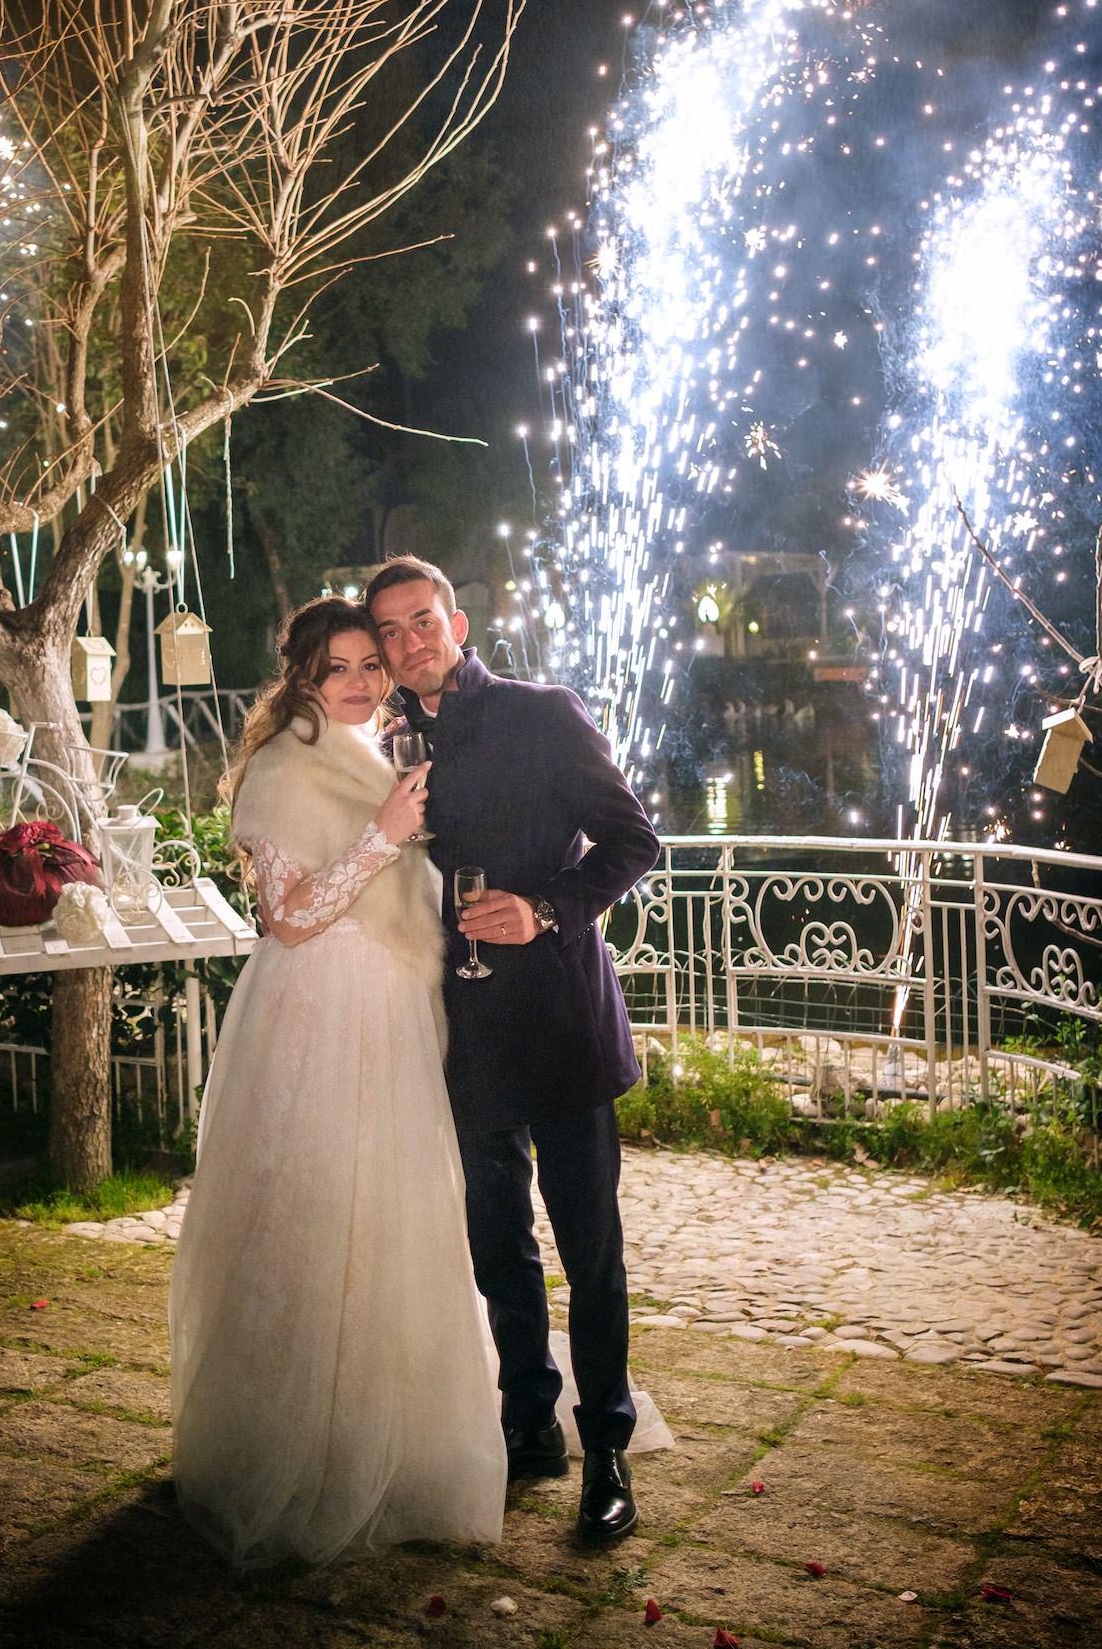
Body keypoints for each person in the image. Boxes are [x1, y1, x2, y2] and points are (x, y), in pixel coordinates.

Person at [169, 597, 505, 1569]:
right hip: (317, 1013)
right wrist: (384, 833)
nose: (361, 679)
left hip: (389, 1011)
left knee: (390, 1220)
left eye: (371, 662)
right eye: (338, 666)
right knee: (311, 1214)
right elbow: (287, 913)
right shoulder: (281, 769)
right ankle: (296, 1444)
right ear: (303, 679)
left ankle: (393, 1435)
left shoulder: (371, 752)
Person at [365, 556, 660, 1544]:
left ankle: (606, 1446)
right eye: (391, 631)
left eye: (422, 621)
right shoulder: (393, 739)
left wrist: (545, 908)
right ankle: (527, 1422)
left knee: (591, 1247)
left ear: (457, 619)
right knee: (498, 1244)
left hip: (563, 1020)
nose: (410, 642)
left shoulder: (544, 711)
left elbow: (633, 842)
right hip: (466, 1028)